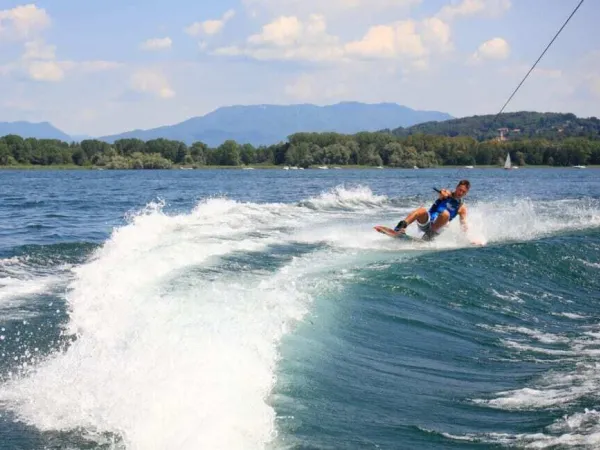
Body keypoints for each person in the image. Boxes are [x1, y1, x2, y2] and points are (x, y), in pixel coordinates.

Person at [394, 179, 470, 241]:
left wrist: (467, 239)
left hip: (436, 230)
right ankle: (400, 227)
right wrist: (443, 193)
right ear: (456, 187)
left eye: (463, 192)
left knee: (446, 214)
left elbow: (463, 225)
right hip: (428, 221)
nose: (460, 193)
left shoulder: (461, 208)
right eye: (460, 190)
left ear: (466, 193)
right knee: (421, 210)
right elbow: (443, 193)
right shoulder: (446, 194)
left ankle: (428, 237)